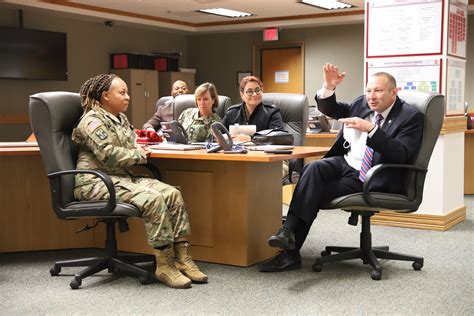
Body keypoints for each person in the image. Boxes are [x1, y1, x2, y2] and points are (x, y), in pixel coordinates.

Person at [260, 63, 424, 272]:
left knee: (312, 191)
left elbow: (402, 154)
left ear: (394, 92)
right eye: (369, 91)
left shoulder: (410, 117)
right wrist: (328, 87)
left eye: (378, 91)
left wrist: (372, 130)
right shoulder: (362, 104)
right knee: (313, 168)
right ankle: (287, 232)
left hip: (373, 175)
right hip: (346, 161)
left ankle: (290, 251)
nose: (371, 96)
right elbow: (332, 109)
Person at [72, 74, 207, 288]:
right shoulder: (92, 120)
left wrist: (135, 151)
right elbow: (108, 154)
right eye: (122, 92)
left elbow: (132, 145)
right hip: (95, 182)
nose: (128, 97)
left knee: (172, 193)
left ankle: (182, 258)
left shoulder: (120, 118)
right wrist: (139, 155)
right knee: (152, 199)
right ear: (106, 96)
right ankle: (164, 264)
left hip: (121, 177)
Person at [221, 75, 284, 142]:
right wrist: (225, 137)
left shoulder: (272, 112)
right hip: (237, 151)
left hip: (262, 151)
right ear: (242, 94)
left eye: (257, 90)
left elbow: (279, 137)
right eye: (250, 91)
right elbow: (218, 135)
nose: (254, 94)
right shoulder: (232, 113)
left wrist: (251, 139)